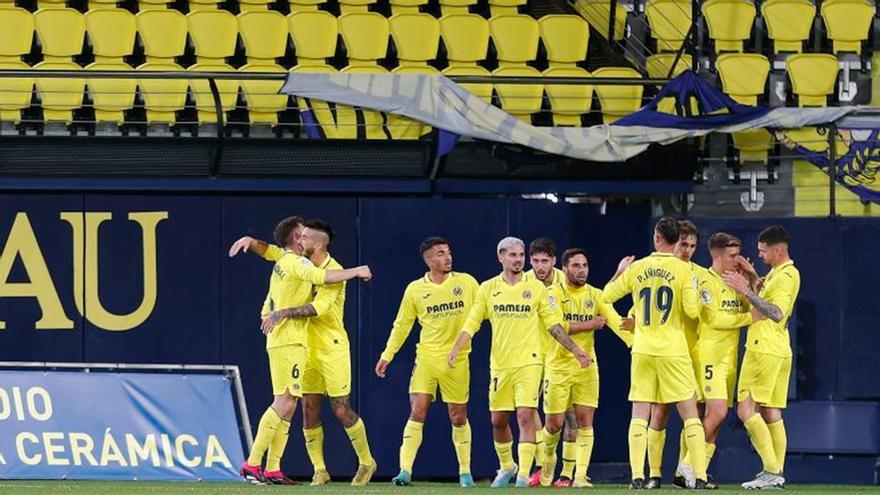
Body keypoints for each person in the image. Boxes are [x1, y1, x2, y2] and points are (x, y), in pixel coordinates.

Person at [229, 216, 372, 485]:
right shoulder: (296, 262)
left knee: (334, 409)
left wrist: (251, 242)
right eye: (300, 235)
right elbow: (280, 255)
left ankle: (363, 462)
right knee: (296, 404)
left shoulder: (323, 268)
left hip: (329, 347)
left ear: (316, 244)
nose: (302, 239)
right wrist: (358, 270)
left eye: (306, 236)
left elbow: (318, 307)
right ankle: (265, 464)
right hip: (294, 342)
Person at [447, 237, 591, 488]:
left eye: (521, 255)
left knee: (526, 416)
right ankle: (508, 465)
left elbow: (554, 325)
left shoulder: (536, 288)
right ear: (500, 257)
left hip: (530, 362)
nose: (518, 260)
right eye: (513, 255)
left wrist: (576, 350)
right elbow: (472, 322)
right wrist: (456, 347)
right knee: (498, 421)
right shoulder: (488, 288)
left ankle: (523, 475)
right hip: (501, 364)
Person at [603, 218, 709, 490]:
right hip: (674, 350)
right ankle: (699, 476)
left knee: (640, 413)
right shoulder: (684, 270)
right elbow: (693, 312)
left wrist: (619, 272)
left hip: (643, 349)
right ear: (676, 241)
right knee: (690, 414)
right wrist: (695, 292)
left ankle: (638, 476)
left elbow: (606, 296)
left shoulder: (638, 268)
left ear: (657, 238)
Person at [375, 237, 480, 487]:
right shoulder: (415, 289)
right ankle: (404, 470)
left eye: (449, 252)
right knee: (418, 410)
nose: (448, 257)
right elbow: (402, 326)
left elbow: (485, 311)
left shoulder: (466, 282)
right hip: (427, 358)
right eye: (441, 254)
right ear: (429, 260)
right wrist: (387, 355)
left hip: (457, 360)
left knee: (458, 416)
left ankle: (465, 472)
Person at [541, 248, 634, 488]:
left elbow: (615, 322)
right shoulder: (552, 294)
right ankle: (547, 463)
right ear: (564, 269)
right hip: (559, 366)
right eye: (576, 266)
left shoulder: (594, 294)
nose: (582, 270)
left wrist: (636, 344)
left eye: (585, 266)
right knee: (555, 423)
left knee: (585, 420)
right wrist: (582, 338)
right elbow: (556, 327)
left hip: (587, 367)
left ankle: (579, 476)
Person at [723, 226, 800, 490]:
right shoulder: (779, 273)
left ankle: (771, 470)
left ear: (777, 250)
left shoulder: (788, 275)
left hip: (763, 349)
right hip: (777, 349)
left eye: (762, 251)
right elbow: (765, 294)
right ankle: (776, 474)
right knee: (770, 411)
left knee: (745, 410)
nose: (760, 255)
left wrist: (745, 290)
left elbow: (776, 312)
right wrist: (753, 275)